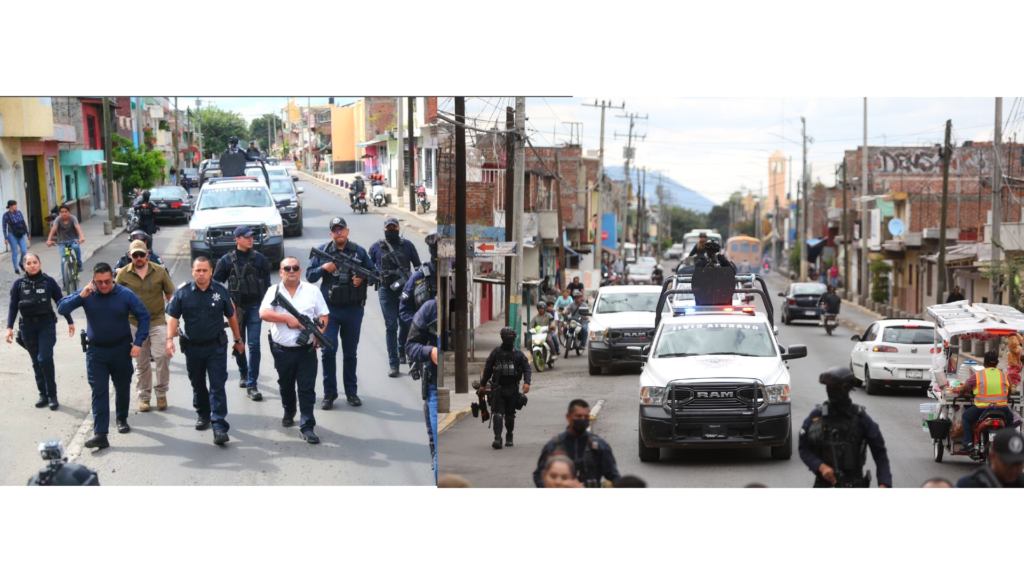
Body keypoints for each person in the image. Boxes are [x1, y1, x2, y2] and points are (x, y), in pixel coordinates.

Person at [57, 262, 151, 451]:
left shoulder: (125, 294)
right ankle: (101, 434)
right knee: (99, 391)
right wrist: (80, 297)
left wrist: (138, 342)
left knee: (122, 386)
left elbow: (144, 316)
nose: (104, 285)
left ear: (112, 278)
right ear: (93, 280)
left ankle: (122, 418)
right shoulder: (87, 293)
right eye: (100, 282)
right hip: (96, 352)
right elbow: (61, 308)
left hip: (121, 349)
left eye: (108, 281)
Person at [165, 257, 245, 446]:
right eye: (197, 270)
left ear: (211, 271)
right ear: (192, 271)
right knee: (198, 383)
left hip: (215, 346)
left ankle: (219, 426)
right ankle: (203, 414)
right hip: (192, 347)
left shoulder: (220, 290)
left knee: (217, 385)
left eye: (204, 270)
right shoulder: (183, 292)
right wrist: (169, 339)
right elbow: (173, 317)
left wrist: (238, 339)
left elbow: (231, 316)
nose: (201, 274)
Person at [259, 256, 330, 444]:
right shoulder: (273, 291)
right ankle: (289, 409)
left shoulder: (312, 291)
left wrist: (319, 333)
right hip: (281, 350)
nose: (291, 271)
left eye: (295, 268)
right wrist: (288, 320)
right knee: (286, 384)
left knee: (307, 388)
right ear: (281, 272)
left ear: (300, 271)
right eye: (287, 268)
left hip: (306, 350)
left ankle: (307, 425)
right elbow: (263, 313)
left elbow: (323, 314)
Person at [307, 216, 375, 408]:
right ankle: (329, 393)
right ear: (331, 233)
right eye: (335, 230)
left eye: (341, 229)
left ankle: (351, 392)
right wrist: (323, 267)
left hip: (353, 309)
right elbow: (310, 276)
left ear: (347, 230)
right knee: (328, 351)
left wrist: (362, 277)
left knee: (350, 353)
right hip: (329, 311)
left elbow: (374, 274)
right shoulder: (323, 251)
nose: (339, 233)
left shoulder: (359, 251)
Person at [798, 365, 892, 489]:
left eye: (835, 387)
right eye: (829, 387)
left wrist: (884, 484)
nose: (831, 390)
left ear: (846, 387)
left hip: (855, 483)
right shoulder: (818, 415)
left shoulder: (861, 418)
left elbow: (880, 454)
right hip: (824, 483)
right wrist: (820, 466)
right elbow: (803, 448)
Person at [5, 252, 75, 409]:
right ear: (24, 266)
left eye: (34, 262)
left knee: (45, 358)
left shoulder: (48, 281)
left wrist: (70, 321)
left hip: (46, 325)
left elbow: (61, 302)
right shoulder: (18, 284)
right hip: (27, 327)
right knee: (36, 361)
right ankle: (43, 394)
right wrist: (9, 327)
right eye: (28, 263)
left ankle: (52, 395)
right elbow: (13, 306)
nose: (32, 265)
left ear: (40, 263)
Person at [212, 225, 272, 400]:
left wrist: (266, 304)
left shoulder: (260, 259)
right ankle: (244, 372)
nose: (250, 239)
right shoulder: (226, 260)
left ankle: (252, 383)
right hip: (235, 309)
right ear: (237, 239)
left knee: (254, 345)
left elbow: (268, 285)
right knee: (240, 343)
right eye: (246, 237)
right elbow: (216, 284)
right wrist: (225, 302)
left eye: (252, 236)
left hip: (255, 307)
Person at [115, 240, 175, 412]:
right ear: (130, 256)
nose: (139, 258)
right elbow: (115, 296)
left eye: (142, 254)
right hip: (133, 322)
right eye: (135, 255)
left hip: (156, 320)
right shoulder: (123, 274)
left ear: (147, 254)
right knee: (141, 362)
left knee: (162, 356)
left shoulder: (160, 271)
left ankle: (161, 393)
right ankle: (144, 397)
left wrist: (173, 319)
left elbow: (170, 294)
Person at [369, 217, 421, 377]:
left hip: (405, 291)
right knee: (391, 326)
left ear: (398, 229)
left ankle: (402, 350)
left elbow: (418, 266)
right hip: (386, 291)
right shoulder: (376, 247)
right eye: (388, 228)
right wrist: (374, 277)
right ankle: (394, 363)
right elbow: (368, 268)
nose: (391, 230)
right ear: (384, 230)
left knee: (405, 323)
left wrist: (417, 284)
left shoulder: (408, 246)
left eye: (394, 227)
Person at [533, 399, 620, 489]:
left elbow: (614, 475)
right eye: (578, 416)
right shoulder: (554, 446)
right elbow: (539, 474)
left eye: (585, 416)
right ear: (568, 417)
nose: (582, 419)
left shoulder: (599, 445)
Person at [480, 326, 531, 450]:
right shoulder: (496, 353)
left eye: (510, 336)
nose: (508, 339)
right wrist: (482, 384)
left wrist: (527, 382)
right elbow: (488, 369)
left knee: (509, 415)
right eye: (506, 336)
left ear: (514, 337)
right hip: (498, 390)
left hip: (513, 389)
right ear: (502, 337)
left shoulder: (518, 354)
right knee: (498, 415)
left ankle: (509, 435)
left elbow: (527, 368)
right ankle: (497, 438)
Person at [957, 350, 1017, 451]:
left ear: (984, 362)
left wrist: (962, 394)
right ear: (997, 362)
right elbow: (1009, 391)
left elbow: (963, 389)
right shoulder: (1004, 376)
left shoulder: (977, 375)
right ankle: (1009, 444)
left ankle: (968, 442)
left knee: (966, 417)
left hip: (981, 408)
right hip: (1002, 409)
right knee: (1010, 420)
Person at [406, 298, 439, 481]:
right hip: (435, 388)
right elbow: (410, 346)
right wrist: (430, 351)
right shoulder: (430, 308)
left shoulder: (463, 307)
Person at [400, 233, 438, 381]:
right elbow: (404, 309)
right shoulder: (419, 276)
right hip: (424, 337)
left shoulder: (455, 276)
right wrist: (419, 327)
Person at [955, 429, 1024, 489]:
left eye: (1018, 463)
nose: (1014, 469)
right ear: (993, 457)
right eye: (1008, 463)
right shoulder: (968, 485)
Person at [45, 204, 85, 275]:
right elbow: (53, 229)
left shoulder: (73, 218)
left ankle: (79, 263)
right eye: (62, 212)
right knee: (63, 261)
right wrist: (49, 240)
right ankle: (65, 283)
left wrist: (82, 237)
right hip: (62, 242)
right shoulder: (58, 219)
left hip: (73, 239)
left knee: (76, 247)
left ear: (69, 212)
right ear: (60, 213)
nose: (64, 213)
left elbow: (78, 227)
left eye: (66, 211)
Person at [4, 199, 30, 274]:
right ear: (10, 206)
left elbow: (23, 223)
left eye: (16, 204)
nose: (16, 206)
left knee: (24, 251)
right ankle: (16, 268)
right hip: (12, 234)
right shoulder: (6, 215)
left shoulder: (19, 213)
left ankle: (21, 263)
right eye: (14, 205)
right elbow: (4, 227)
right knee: (15, 252)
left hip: (21, 234)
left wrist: (28, 233)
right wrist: (6, 238)